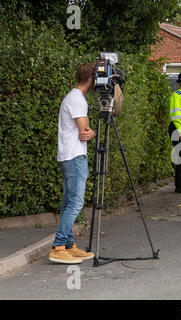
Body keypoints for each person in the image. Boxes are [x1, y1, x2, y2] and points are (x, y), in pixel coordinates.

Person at [48, 63, 96, 264]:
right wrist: (93, 132)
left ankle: (68, 245)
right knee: (75, 203)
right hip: (75, 157)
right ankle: (58, 247)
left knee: (69, 202)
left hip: (68, 155)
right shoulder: (77, 99)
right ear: (91, 80)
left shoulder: (73, 97)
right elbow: (84, 133)